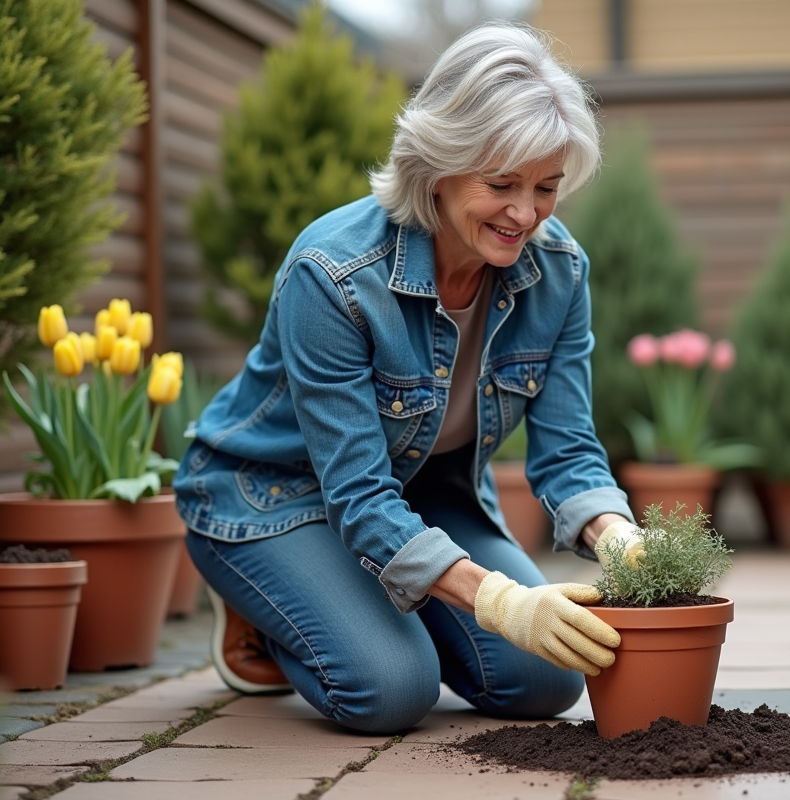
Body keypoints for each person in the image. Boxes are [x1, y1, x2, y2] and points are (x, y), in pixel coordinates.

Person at [173, 21, 643, 735]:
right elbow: (358, 495)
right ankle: (268, 608)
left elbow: (568, 448)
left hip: (427, 494)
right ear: (440, 163)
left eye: (547, 187)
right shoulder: (333, 274)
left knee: (546, 677)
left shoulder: (559, 271)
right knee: (391, 689)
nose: (526, 214)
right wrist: (500, 601)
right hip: (271, 496)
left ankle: (382, 594)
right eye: (502, 184)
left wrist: (622, 541)